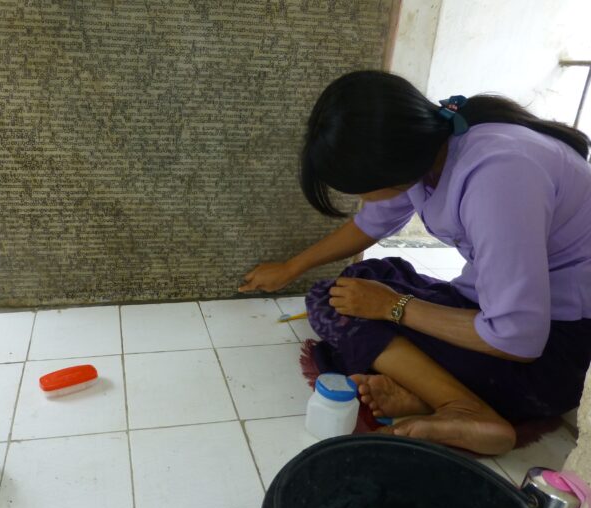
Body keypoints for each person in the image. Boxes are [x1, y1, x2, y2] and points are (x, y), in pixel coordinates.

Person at [239, 70, 591, 455]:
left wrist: (394, 307)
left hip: (553, 357)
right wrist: (291, 268)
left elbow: (517, 338)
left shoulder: (499, 178)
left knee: (346, 310)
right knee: (353, 285)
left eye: (360, 190)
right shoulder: (432, 145)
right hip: (499, 311)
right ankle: (426, 396)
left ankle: (464, 408)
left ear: (386, 171)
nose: (363, 199)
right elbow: (371, 224)